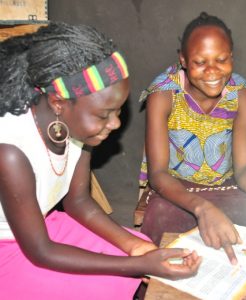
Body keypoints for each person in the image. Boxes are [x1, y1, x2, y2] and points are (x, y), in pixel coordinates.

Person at [0, 22, 201, 299]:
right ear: (59, 102)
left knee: (139, 243)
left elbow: (78, 201)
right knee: (104, 283)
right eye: (104, 114)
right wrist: (135, 264)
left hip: (37, 228)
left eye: (118, 110)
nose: (115, 123)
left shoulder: (75, 122)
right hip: (12, 248)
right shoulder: (10, 150)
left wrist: (133, 248)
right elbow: (41, 252)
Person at [138, 12, 246, 264]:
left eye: (221, 59)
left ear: (232, 57)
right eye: (200, 62)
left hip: (224, 186)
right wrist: (202, 207)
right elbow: (158, 174)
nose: (212, 71)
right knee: (160, 216)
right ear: (183, 60)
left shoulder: (241, 95)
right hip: (175, 187)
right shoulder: (163, 94)